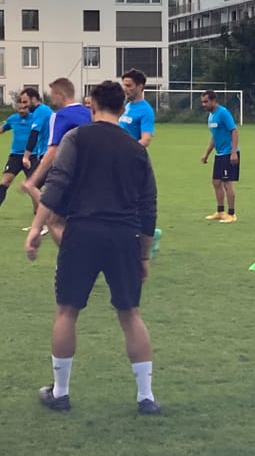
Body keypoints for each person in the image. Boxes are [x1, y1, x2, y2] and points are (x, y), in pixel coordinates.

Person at [25, 79, 160, 415]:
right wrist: (143, 254)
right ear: (123, 108)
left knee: (67, 311)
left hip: (82, 233)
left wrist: (36, 228)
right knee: (130, 315)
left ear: (93, 106)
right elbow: (149, 207)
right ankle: (146, 398)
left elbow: (56, 186)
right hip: (124, 237)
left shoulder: (77, 138)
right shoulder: (136, 150)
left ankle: (61, 392)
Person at [21, 77, 92, 244]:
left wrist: (33, 179)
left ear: (60, 94)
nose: (52, 99)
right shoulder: (89, 112)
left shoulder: (59, 116)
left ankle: (73, 258)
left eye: (53, 95)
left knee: (54, 220)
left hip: (68, 175)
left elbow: (53, 150)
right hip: (91, 173)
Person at [200, 90, 240, 223]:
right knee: (216, 182)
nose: (203, 104)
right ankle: (220, 211)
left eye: (206, 101)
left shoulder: (223, 113)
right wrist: (206, 154)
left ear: (213, 100)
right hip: (219, 154)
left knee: (227, 183)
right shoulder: (211, 116)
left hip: (229, 153)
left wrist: (234, 152)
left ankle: (232, 214)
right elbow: (214, 136)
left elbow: (234, 131)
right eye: (202, 102)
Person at [19, 87, 53, 231]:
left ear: (34, 99)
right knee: (34, 186)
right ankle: (40, 222)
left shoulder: (41, 111)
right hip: (45, 153)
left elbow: (33, 134)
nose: (24, 105)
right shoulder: (42, 111)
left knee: (31, 185)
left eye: (26, 101)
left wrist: (26, 156)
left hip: (49, 154)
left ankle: (45, 223)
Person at [119, 68, 155, 147]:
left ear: (140, 86)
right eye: (124, 86)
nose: (125, 89)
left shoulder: (146, 110)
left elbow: (146, 140)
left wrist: (128, 149)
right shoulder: (127, 106)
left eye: (128, 86)